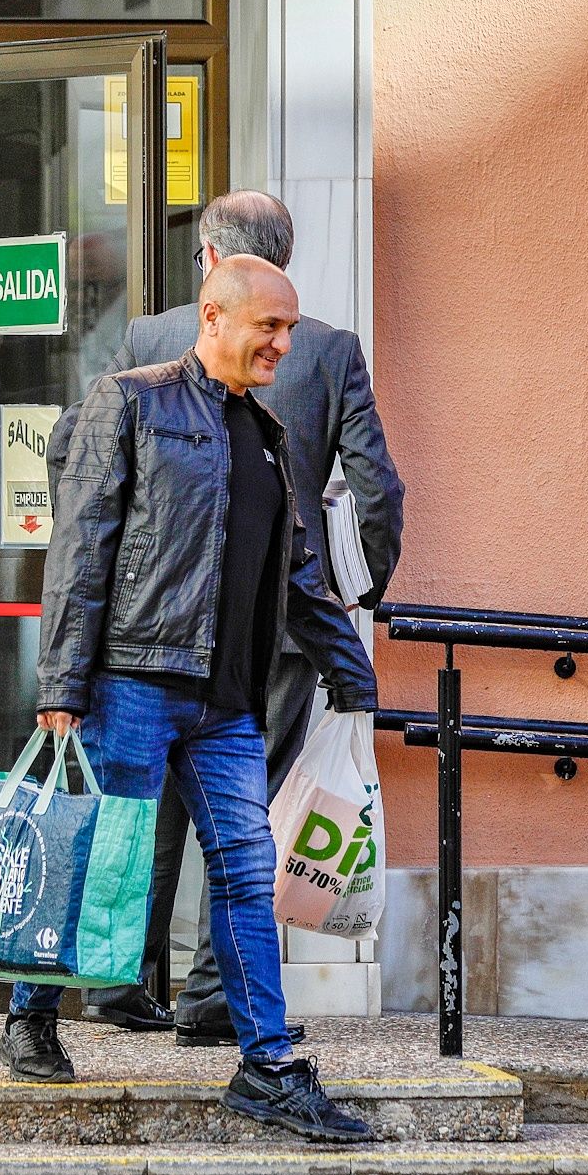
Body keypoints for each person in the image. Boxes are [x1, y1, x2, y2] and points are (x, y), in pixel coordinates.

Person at [7, 256, 380, 1144]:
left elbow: (297, 571)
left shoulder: (270, 432)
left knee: (248, 873)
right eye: (271, 327)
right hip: (133, 683)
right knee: (100, 857)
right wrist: (61, 684)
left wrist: (351, 670)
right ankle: (29, 1012)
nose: (285, 345)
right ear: (214, 316)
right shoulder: (130, 402)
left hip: (228, 707)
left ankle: (267, 1066)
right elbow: (81, 551)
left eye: (290, 329)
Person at [84, 190, 404, 1043]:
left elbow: (79, 464)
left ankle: (118, 977)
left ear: (210, 264)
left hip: (161, 626)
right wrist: (350, 596)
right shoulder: (332, 353)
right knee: (247, 822)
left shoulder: (150, 337)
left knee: (150, 811)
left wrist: (125, 581)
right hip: (280, 635)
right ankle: (210, 1002)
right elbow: (378, 491)